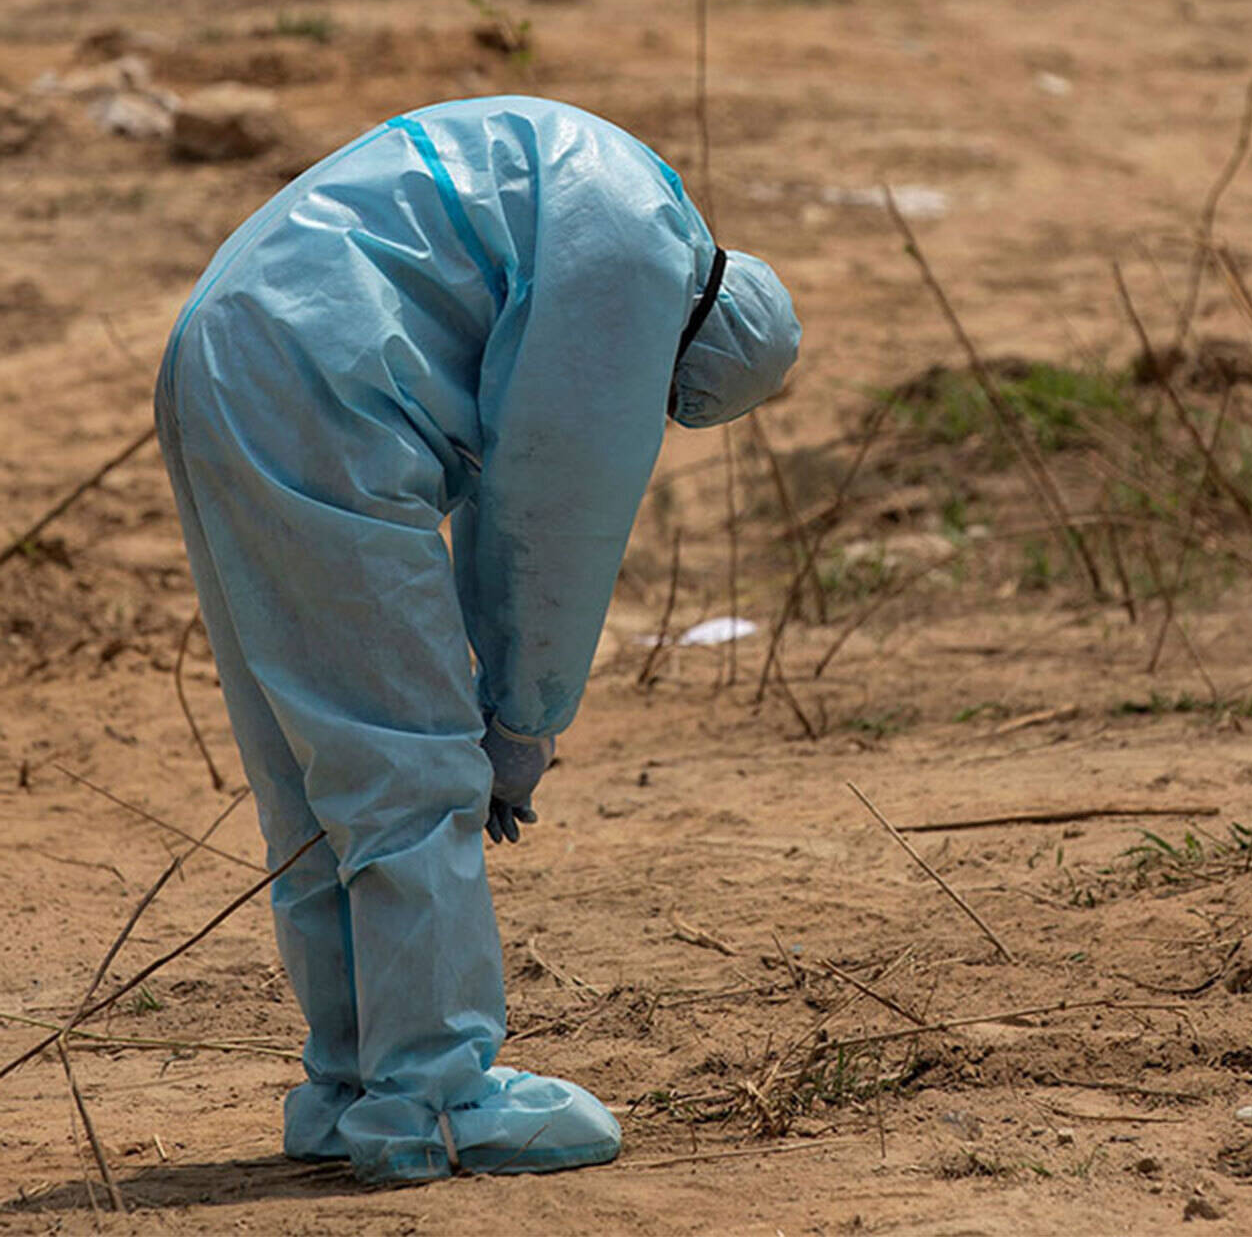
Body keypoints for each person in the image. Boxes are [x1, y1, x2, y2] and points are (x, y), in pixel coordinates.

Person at [155, 94, 800, 1183]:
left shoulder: (610, 177)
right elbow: (554, 510)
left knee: (316, 768)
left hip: (223, 347)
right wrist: (518, 717)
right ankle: (437, 1100)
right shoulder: (636, 257)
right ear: (691, 354)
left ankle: (350, 1080)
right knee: (412, 766)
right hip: (326, 384)